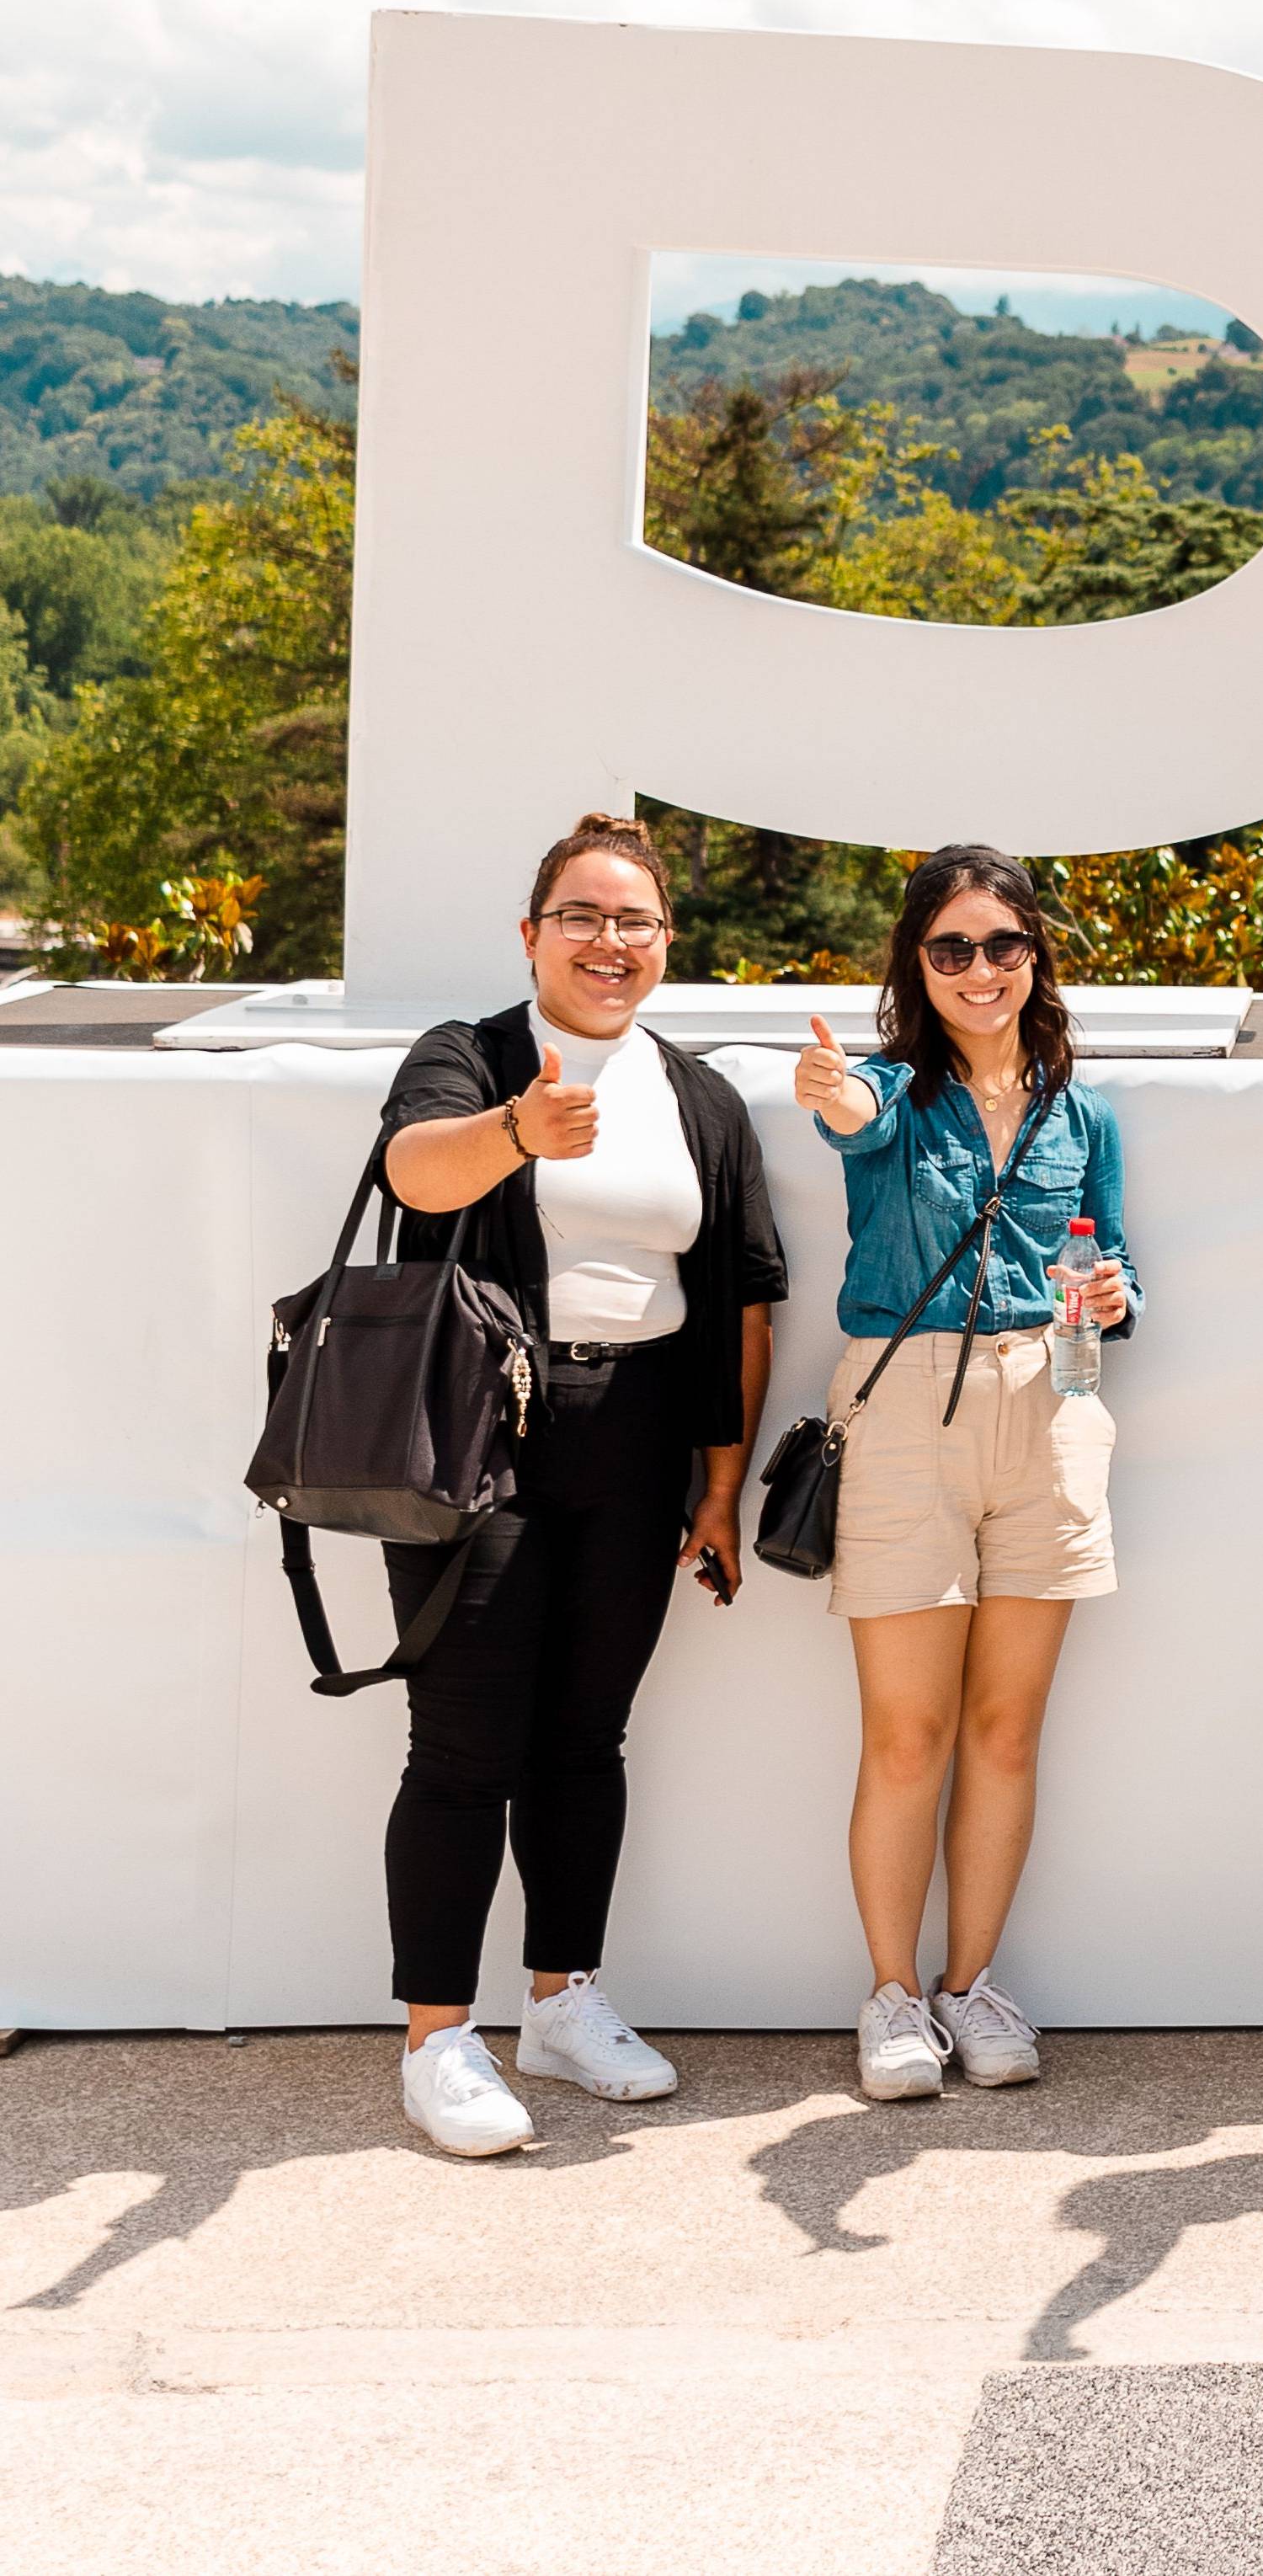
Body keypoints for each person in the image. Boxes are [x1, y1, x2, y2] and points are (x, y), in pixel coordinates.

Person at [369, 813, 786, 2158]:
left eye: (636, 922)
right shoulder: (468, 1056)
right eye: (583, 917)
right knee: (463, 1746)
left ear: (667, 941)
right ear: (534, 932)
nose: (610, 942)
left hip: (639, 1434)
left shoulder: (700, 1096)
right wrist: (515, 1126)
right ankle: (439, 2037)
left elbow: (740, 1299)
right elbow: (411, 1170)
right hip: (476, 1439)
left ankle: (562, 2000)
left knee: (584, 1737)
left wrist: (718, 1487)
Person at [791, 845, 1136, 2104]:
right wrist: (827, 1088)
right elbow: (848, 1115)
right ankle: (891, 1995)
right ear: (916, 965)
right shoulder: (890, 1088)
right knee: (908, 1735)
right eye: (950, 948)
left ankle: (970, 1984)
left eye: (1001, 944)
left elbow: (1114, 1259)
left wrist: (1113, 1290)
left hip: (1051, 1411)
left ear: (1034, 955)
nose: (979, 969)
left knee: (1004, 1730)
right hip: (906, 1415)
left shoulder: (1078, 1108)